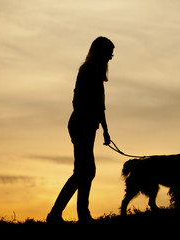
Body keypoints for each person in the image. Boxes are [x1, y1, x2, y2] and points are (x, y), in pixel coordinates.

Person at [47, 37, 115, 223]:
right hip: (81, 125)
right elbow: (78, 101)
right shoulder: (87, 71)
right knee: (84, 171)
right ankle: (59, 214)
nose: (110, 58)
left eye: (112, 54)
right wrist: (88, 126)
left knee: (85, 171)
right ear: (100, 52)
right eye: (109, 54)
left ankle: (79, 214)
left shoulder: (97, 73)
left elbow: (100, 106)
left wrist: (105, 130)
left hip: (88, 126)